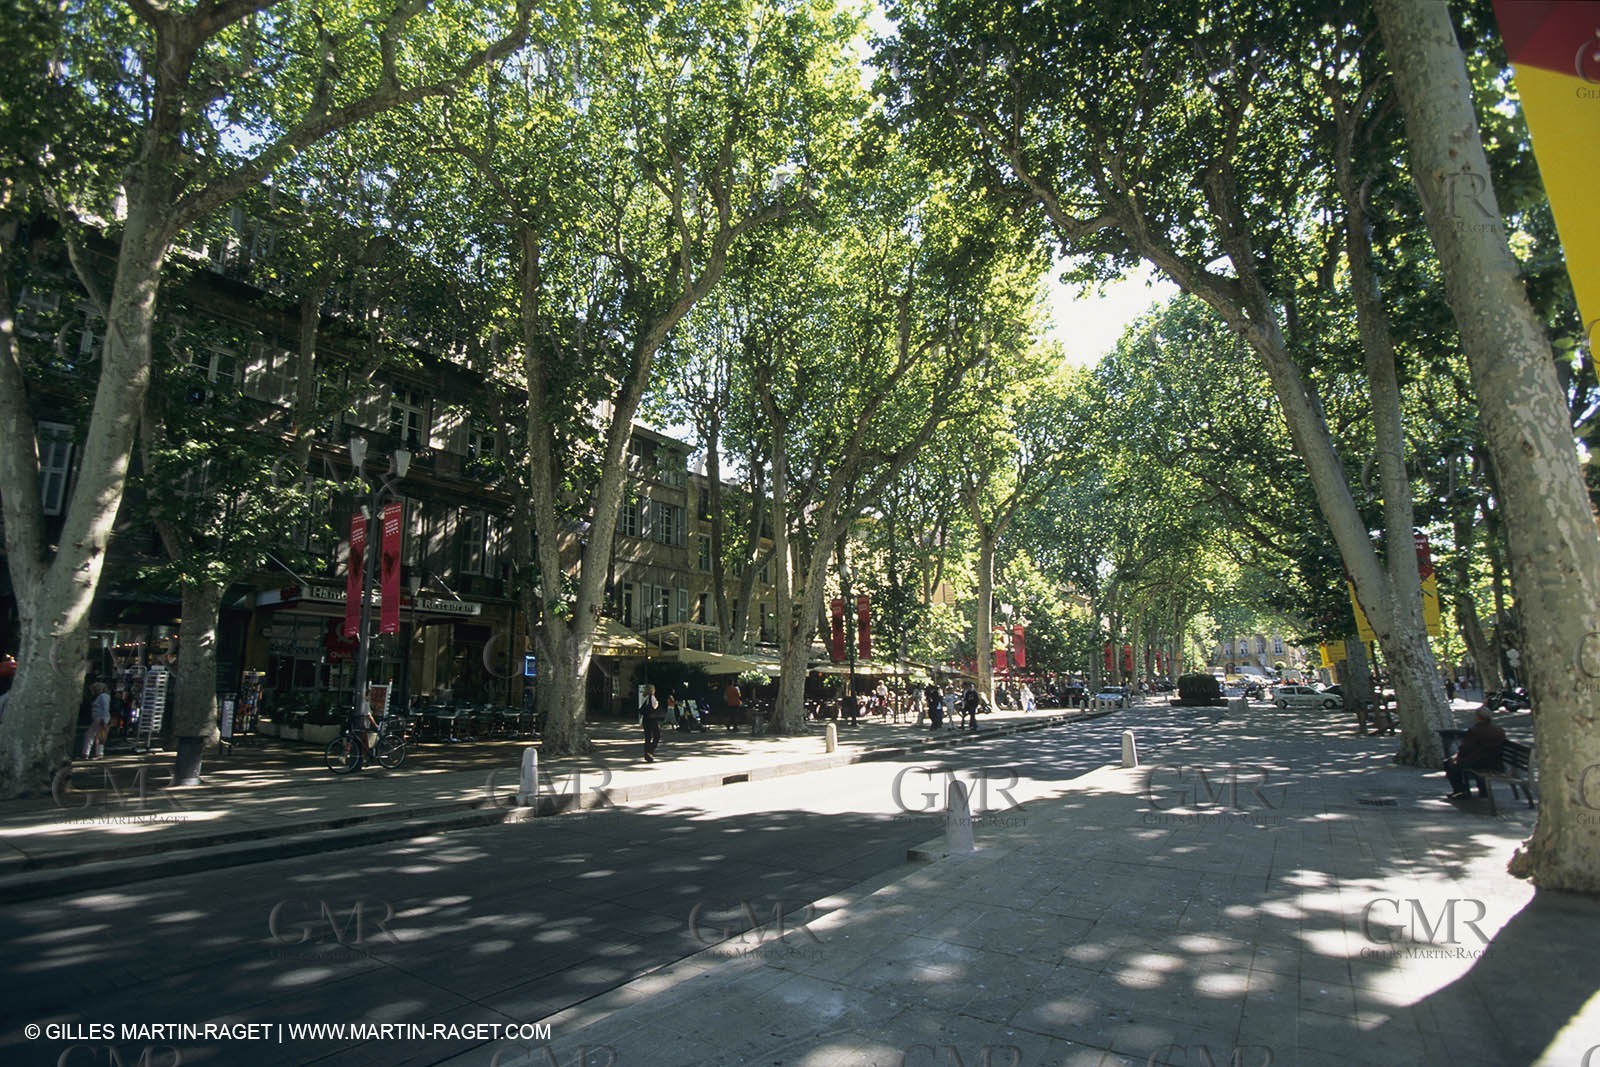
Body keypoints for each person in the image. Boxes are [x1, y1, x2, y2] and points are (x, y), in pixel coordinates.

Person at [1446, 707, 1507, 798]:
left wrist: (1457, 757)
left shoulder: (1475, 730)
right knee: (1474, 759)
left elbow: (1465, 748)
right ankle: (1483, 790)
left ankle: (1460, 790)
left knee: (1449, 764)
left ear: (1478, 717)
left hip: (1478, 762)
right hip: (1496, 763)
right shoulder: (1499, 730)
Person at [82, 682, 111, 759]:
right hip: (100, 717)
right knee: (97, 735)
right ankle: (96, 753)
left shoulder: (103, 696)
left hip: (101, 717)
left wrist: (103, 719)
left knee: (93, 735)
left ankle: (88, 753)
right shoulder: (102, 696)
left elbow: (105, 708)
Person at [639, 684, 665, 762]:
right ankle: (650, 751)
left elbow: (641, 708)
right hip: (652, 719)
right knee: (657, 735)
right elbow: (655, 706)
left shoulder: (643, 697)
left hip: (645, 719)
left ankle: (647, 754)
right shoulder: (652, 697)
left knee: (648, 737)